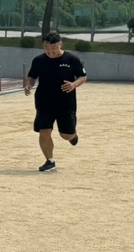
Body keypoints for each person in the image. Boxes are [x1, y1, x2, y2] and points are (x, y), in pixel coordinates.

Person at [24, 32, 87, 172]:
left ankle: (73, 135)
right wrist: (29, 84)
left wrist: (74, 84)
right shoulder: (39, 60)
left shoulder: (71, 59)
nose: (50, 52)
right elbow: (32, 76)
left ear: (60, 44)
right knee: (44, 131)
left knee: (66, 135)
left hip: (66, 103)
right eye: (46, 48)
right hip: (44, 102)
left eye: (53, 48)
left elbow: (83, 76)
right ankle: (50, 161)